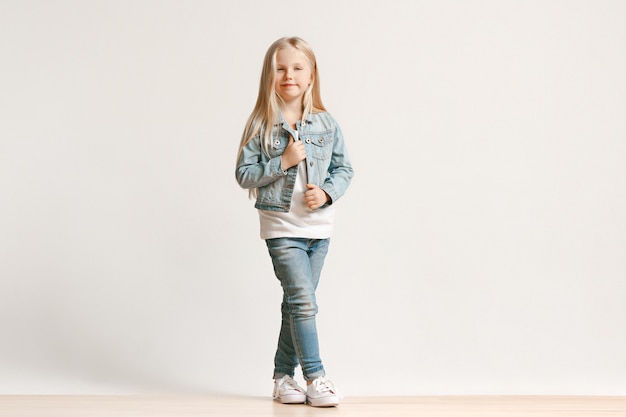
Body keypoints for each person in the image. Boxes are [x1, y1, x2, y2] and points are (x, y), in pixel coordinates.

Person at [235, 36, 354, 407]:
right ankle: (316, 377)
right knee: (303, 301)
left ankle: (283, 376)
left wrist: (329, 192)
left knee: (296, 302)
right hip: (282, 229)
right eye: (280, 68)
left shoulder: (326, 123)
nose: (289, 75)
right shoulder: (261, 125)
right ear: (269, 77)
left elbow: (344, 168)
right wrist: (282, 163)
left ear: (311, 75)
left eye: (297, 67)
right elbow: (244, 174)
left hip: (319, 229)